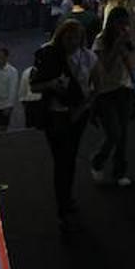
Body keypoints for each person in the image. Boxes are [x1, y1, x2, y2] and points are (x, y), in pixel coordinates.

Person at [30, 20, 97, 229]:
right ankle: (63, 203)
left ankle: (66, 199)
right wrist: (52, 85)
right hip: (56, 116)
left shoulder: (88, 57)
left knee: (69, 158)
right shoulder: (49, 56)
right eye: (69, 37)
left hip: (79, 114)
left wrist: (84, 105)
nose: (72, 41)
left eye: (76, 37)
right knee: (62, 160)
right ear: (60, 37)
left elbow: (95, 85)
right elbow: (34, 86)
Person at [91, 7, 135, 187]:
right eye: (121, 24)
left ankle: (119, 172)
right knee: (114, 133)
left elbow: (127, 57)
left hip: (123, 88)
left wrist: (133, 77)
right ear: (112, 23)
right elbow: (107, 65)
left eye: (126, 24)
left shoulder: (123, 39)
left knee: (124, 134)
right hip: (104, 92)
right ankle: (98, 161)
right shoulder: (100, 41)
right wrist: (118, 43)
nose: (124, 27)